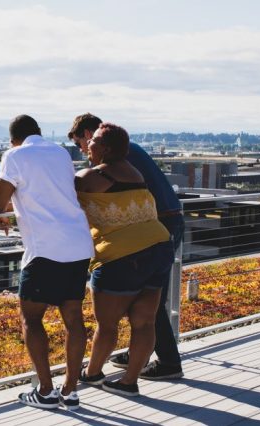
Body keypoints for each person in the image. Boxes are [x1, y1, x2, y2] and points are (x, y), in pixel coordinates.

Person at [68, 113, 184, 380]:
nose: (84, 149)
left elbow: (66, 195)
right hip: (159, 236)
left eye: (83, 143)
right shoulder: (131, 163)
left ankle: (165, 363)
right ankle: (133, 371)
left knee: (111, 324)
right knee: (144, 314)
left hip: (134, 242)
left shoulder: (97, 173)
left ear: (92, 137)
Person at [0, 114, 93, 410]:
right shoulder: (60, 153)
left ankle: (46, 391)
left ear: (13, 139)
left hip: (45, 249)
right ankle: (70, 392)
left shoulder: (14, 155)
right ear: (39, 133)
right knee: (73, 319)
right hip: (77, 244)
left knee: (31, 319)